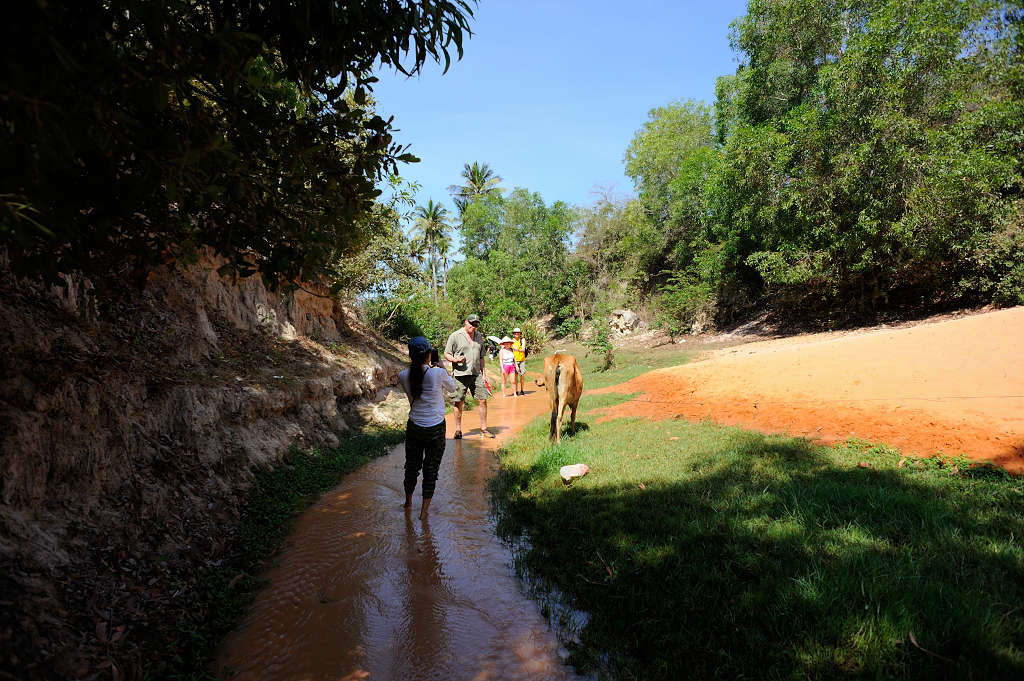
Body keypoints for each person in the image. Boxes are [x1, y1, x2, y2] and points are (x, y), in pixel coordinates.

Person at [398, 336, 456, 519]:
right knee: (431, 469)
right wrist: (442, 366)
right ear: (429, 355)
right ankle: (424, 512)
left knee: (412, 466)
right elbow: (453, 388)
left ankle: (408, 504)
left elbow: (412, 399)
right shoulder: (437, 374)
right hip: (436, 429)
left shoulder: (403, 375)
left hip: (414, 426)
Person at [443, 314, 494, 439]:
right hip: (460, 374)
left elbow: (482, 356)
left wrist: (484, 374)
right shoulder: (455, 336)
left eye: (476, 325)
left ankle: (483, 429)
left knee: (482, 400)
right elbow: (446, 353)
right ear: (466, 322)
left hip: (476, 374)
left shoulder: (478, 336)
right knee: (458, 402)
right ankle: (458, 430)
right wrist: (455, 360)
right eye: (472, 324)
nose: (474, 327)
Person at [511, 327, 528, 396]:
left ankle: (522, 389)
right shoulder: (511, 341)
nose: (516, 334)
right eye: (515, 333)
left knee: (522, 375)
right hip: (514, 360)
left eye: (517, 332)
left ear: (520, 333)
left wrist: (517, 349)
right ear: (513, 334)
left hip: (521, 360)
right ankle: (516, 390)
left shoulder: (522, 340)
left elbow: (523, 349)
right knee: (515, 376)